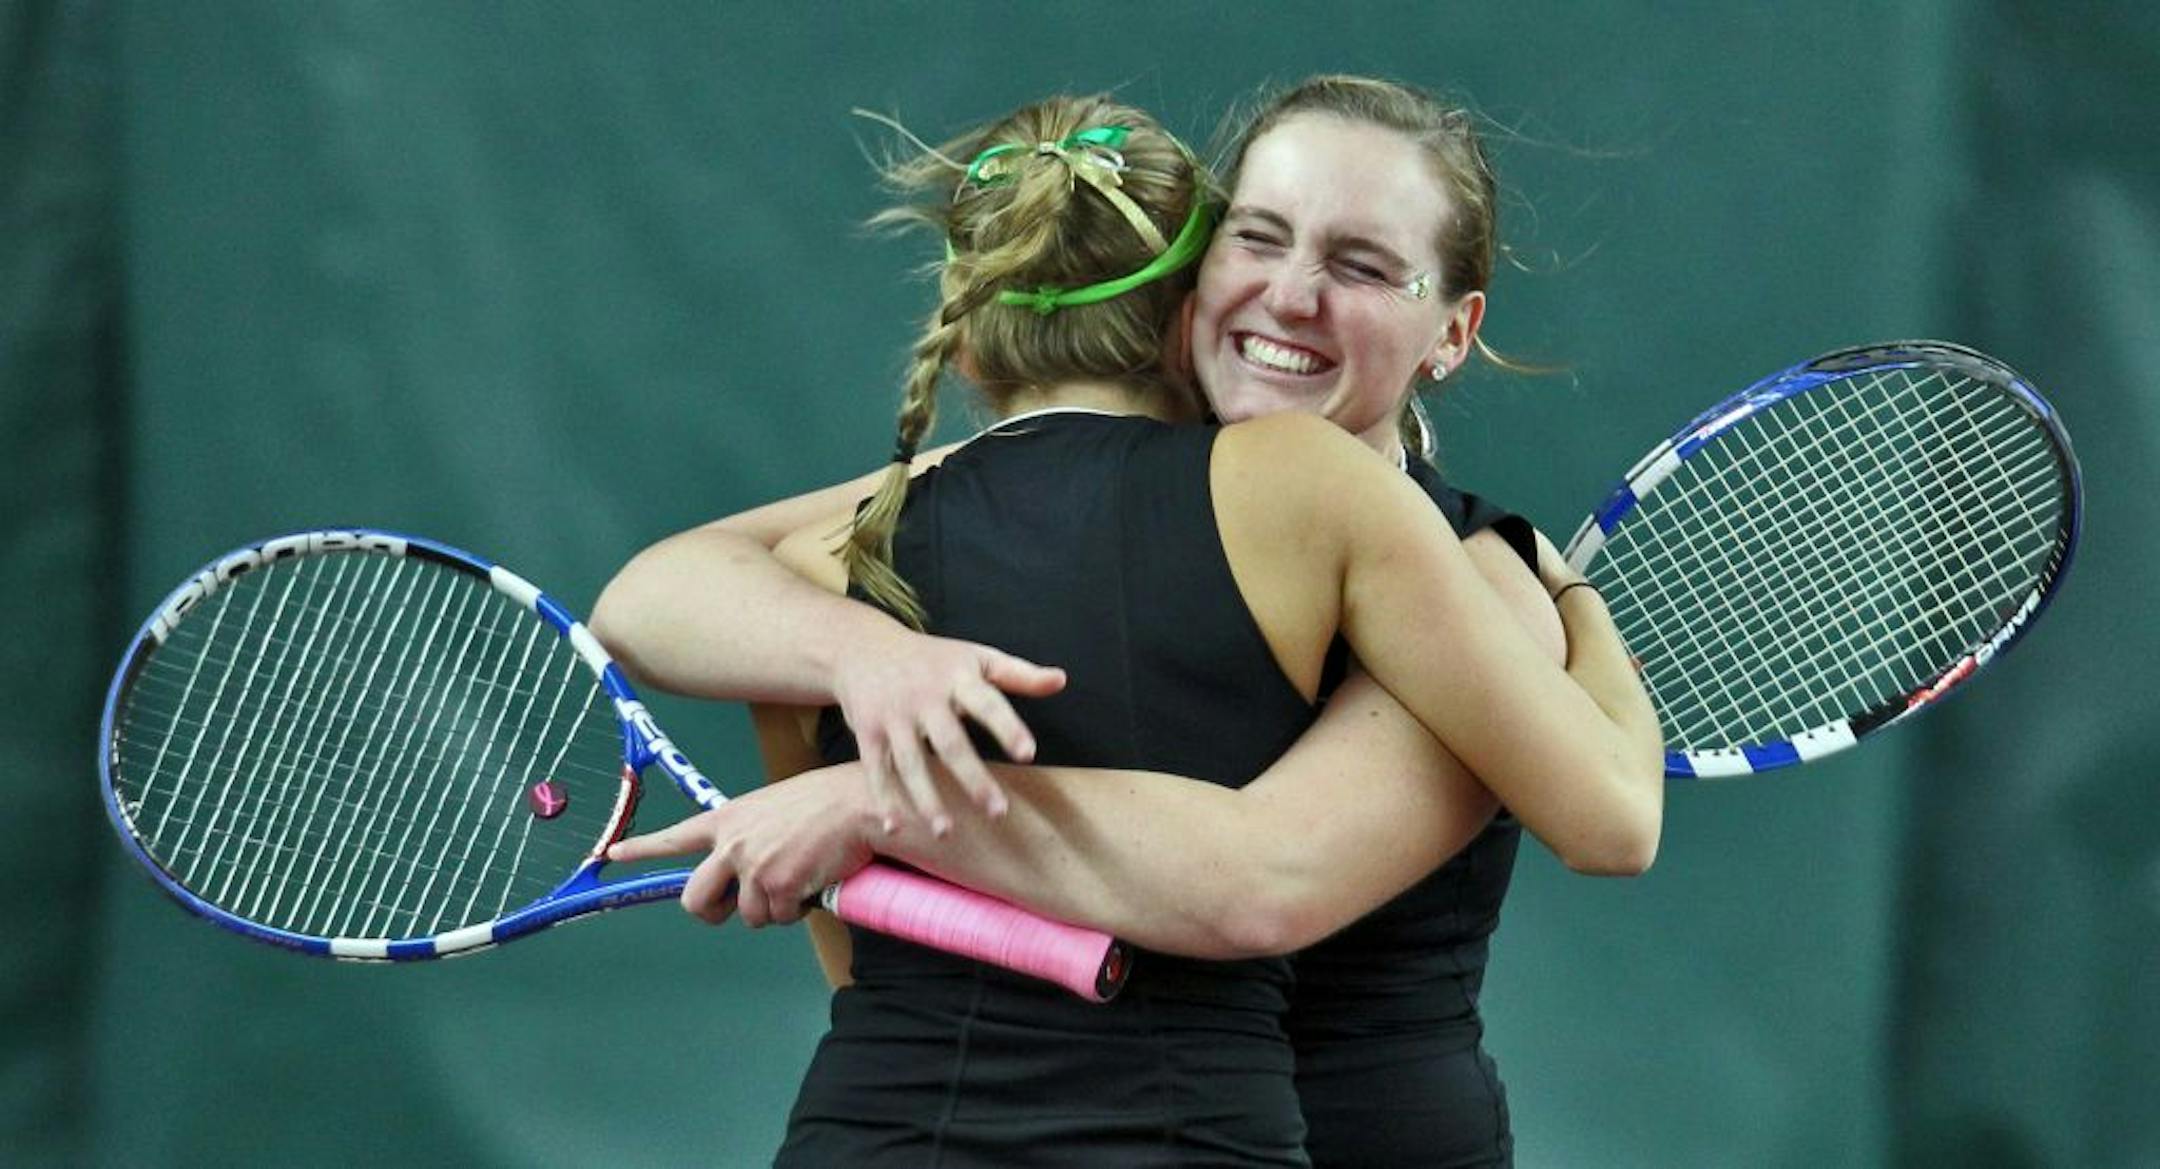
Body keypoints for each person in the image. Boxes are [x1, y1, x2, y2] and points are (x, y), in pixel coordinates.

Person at [595, 82, 1661, 1167]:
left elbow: (1278, 876)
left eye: (1363, 265)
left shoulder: (1480, 575)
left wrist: (882, 798)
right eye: (1259, 236)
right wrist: (874, 657)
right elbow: (662, 591)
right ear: (1187, 283)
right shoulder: (886, 544)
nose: (1291, 296)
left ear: (1453, 330)